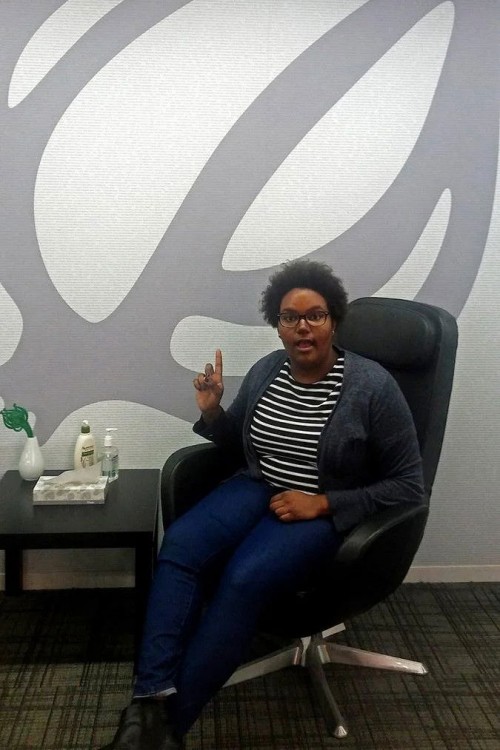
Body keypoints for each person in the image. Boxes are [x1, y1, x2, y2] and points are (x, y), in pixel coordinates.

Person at [101, 259, 424, 749]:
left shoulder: (372, 387)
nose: (302, 327)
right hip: (257, 486)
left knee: (243, 578)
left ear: (334, 320)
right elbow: (243, 447)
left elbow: (408, 486)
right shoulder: (268, 370)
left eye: (314, 315)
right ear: (277, 324)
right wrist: (214, 412)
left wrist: (325, 503)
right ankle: (149, 700)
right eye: (290, 317)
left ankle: (167, 729)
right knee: (181, 545)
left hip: (318, 508)